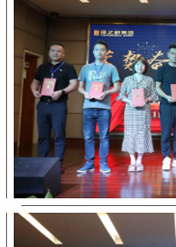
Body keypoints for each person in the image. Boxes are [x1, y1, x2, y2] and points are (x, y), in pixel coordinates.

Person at [30, 43, 79, 171]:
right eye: (53, 51)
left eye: (58, 51)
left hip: (58, 105)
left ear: (63, 54)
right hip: (43, 104)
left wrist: (61, 92)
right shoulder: (42, 67)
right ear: (49, 53)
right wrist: (34, 91)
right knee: (43, 135)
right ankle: (43, 163)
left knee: (59, 135)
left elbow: (74, 84)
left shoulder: (68, 67)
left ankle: (58, 165)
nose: (55, 53)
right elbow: (35, 82)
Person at [77, 40, 121, 173]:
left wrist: (106, 92)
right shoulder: (86, 68)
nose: (99, 52)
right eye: (97, 49)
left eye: (102, 50)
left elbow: (117, 87)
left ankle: (103, 163)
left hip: (104, 108)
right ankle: (89, 163)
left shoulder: (111, 68)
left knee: (104, 137)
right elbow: (80, 87)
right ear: (93, 51)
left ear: (106, 52)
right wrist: (85, 93)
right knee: (88, 137)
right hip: (88, 107)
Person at [116, 57, 158, 172]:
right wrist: (129, 101)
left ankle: (139, 160)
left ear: (145, 67)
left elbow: (154, 96)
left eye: (142, 64)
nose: (140, 66)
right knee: (130, 133)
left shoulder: (149, 80)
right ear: (134, 66)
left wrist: (146, 100)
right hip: (131, 110)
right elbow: (121, 95)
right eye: (138, 64)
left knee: (142, 133)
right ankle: (132, 160)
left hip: (144, 110)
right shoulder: (128, 79)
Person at [155, 43, 176, 171]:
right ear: (168, 54)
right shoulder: (162, 69)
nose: (175, 56)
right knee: (166, 132)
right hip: (166, 105)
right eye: (172, 53)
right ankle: (166, 158)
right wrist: (166, 96)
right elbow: (157, 87)